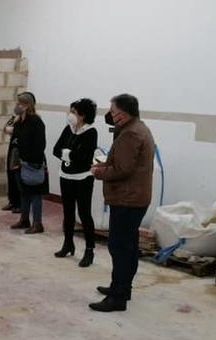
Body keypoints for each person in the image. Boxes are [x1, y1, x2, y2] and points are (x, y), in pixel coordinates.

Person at [90, 94, 155, 312]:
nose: (109, 114)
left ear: (121, 113)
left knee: (120, 247)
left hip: (128, 199)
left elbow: (123, 169)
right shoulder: (136, 127)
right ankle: (121, 287)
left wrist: (98, 171)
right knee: (127, 246)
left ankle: (118, 297)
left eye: (112, 110)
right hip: (133, 197)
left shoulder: (131, 134)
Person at [52, 98, 98, 267]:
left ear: (83, 115)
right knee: (68, 212)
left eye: (74, 112)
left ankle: (89, 250)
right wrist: (70, 154)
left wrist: (68, 154)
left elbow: (84, 158)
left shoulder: (91, 132)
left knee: (84, 213)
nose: (70, 115)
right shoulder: (69, 129)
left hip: (83, 178)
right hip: (66, 175)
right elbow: (56, 149)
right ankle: (68, 243)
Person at [9, 92, 48, 234]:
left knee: (35, 193)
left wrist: (32, 161)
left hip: (32, 162)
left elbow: (40, 144)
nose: (17, 106)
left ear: (26, 106)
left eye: (19, 104)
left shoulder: (36, 122)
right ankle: (24, 219)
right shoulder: (19, 122)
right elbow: (15, 140)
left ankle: (38, 223)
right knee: (24, 192)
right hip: (20, 162)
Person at [2, 107, 22, 214]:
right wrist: (14, 116)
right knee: (10, 174)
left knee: (18, 176)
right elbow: (5, 128)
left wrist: (13, 130)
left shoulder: (29, 120)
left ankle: (19, 204)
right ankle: (12, 201)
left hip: (21, 150)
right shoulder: (15, 118)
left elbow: (19, 131)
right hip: (13, 148)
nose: (18, 106)